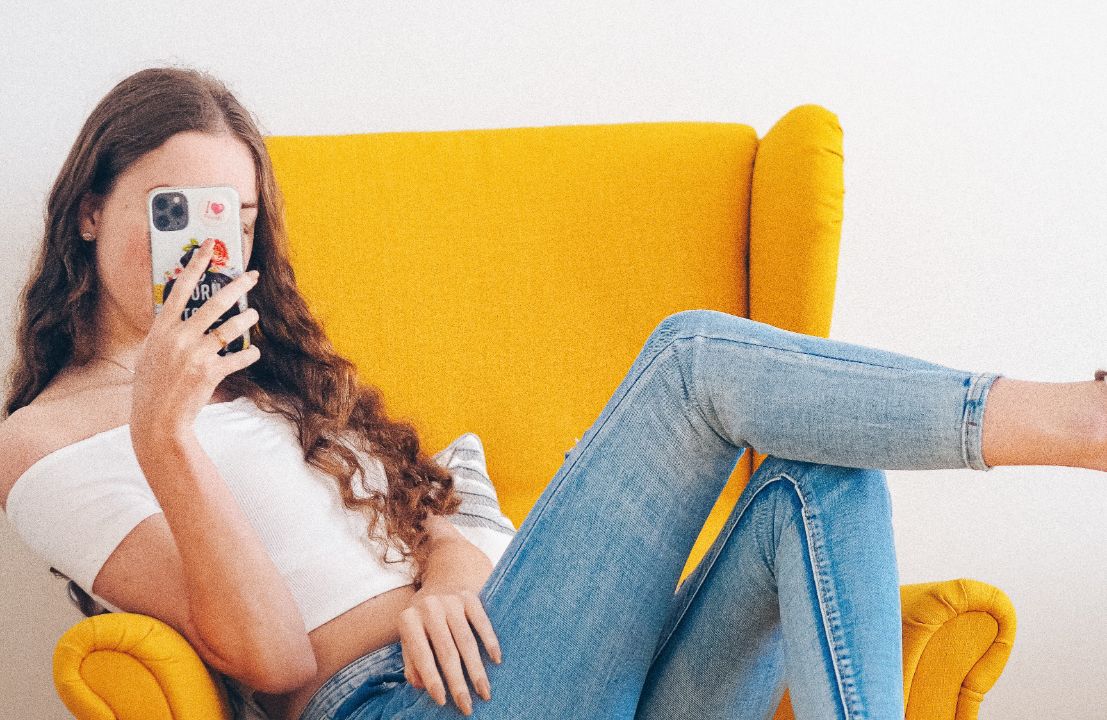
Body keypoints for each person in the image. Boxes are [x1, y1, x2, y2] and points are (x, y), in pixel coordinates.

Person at [2, 65, 1105, 720]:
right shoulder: (44, 442)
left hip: (521, 664)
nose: (211, 251)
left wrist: (447, 574)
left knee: (822, 482)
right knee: (688, 361)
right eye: (176, 213)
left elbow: (446, 508)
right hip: (398, 706)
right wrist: (165, 434)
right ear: (90, 209)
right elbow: (273, 660)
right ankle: (1077, 420)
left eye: (237, 221)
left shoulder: (280, 385)